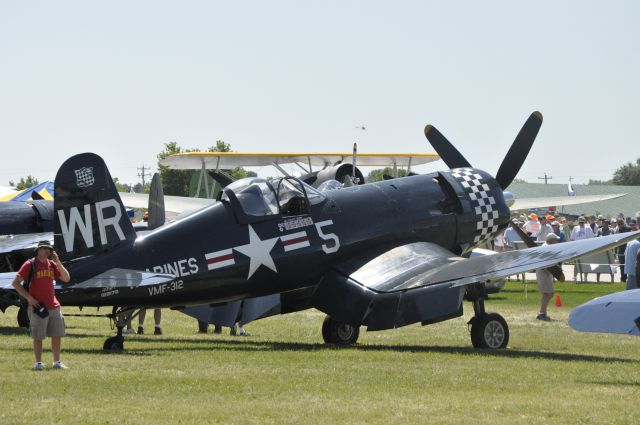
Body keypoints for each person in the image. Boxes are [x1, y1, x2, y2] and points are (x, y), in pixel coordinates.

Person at [10, 241, 71, 370]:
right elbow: (15, 283)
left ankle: (57, 362)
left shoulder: (52, 265)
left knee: (57, 334)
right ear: (38, 250)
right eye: (44, 248)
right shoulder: (30, 264)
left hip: (53, 305)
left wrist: (58, 262)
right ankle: (38, 363)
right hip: (38, 306)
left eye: (49, 249)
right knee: (38, 336)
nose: (47, 251)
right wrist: (29, 299)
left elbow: (66, 278)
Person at [535, 233, 561, 321]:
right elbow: (544, 262)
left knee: (547, 293)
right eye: (555, 240)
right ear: (551, 240)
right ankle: (542, 313)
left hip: (544, 272)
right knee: (548, 293)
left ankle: (542, 312)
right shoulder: (547, 247)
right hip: (544, 272)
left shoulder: (545, 246)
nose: (557, 241)